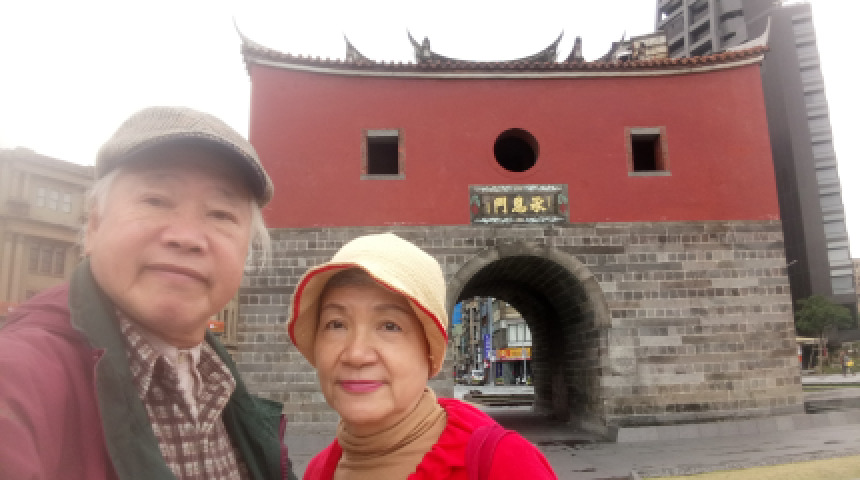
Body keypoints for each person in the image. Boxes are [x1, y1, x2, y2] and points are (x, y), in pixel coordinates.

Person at [0, 106, 296, 480]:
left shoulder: (229, 394)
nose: (187, 237)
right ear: (94, 226)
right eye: (156, 201)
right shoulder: (19, 379)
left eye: (221, 214)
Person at [288, 233, 557, 479]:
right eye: (336, 324)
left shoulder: (506, 465)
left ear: (430, 350)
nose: (356, 355)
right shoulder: (317, 471)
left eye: (389, 326)